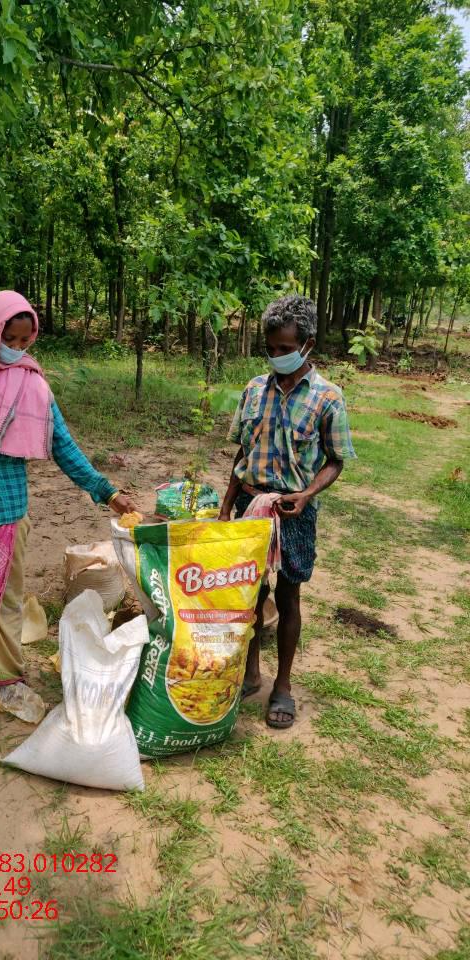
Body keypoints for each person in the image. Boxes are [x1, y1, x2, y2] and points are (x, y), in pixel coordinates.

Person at [0, 290, 136, 719]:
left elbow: (63, 446)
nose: (16, 349)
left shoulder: (32, 383)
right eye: (9, 339)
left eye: (24, 341)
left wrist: (106, 491)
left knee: (4, 597)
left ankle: (2, 675)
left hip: (6, 507)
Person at [219, 295, 355, 729]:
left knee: (287, 595)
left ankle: (283, 685)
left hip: (293, 509)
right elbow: (242, 452)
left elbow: (335, 460)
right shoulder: (254, 390)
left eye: (285, 348)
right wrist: (227, 506)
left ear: (308, 344)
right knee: (250, 592)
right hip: (250, 504)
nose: (276, 355)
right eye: (271, 348)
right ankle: (251, 673)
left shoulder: (327, 398)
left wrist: (308, 494)